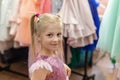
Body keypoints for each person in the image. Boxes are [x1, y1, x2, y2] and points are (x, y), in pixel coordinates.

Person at [29, 13, 71, 80]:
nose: (55, 39)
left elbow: (53, 64)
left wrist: (62, 66)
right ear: (39, 36)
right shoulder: (42, 67)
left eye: (58, 34)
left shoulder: (53, 53)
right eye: (49, 35)